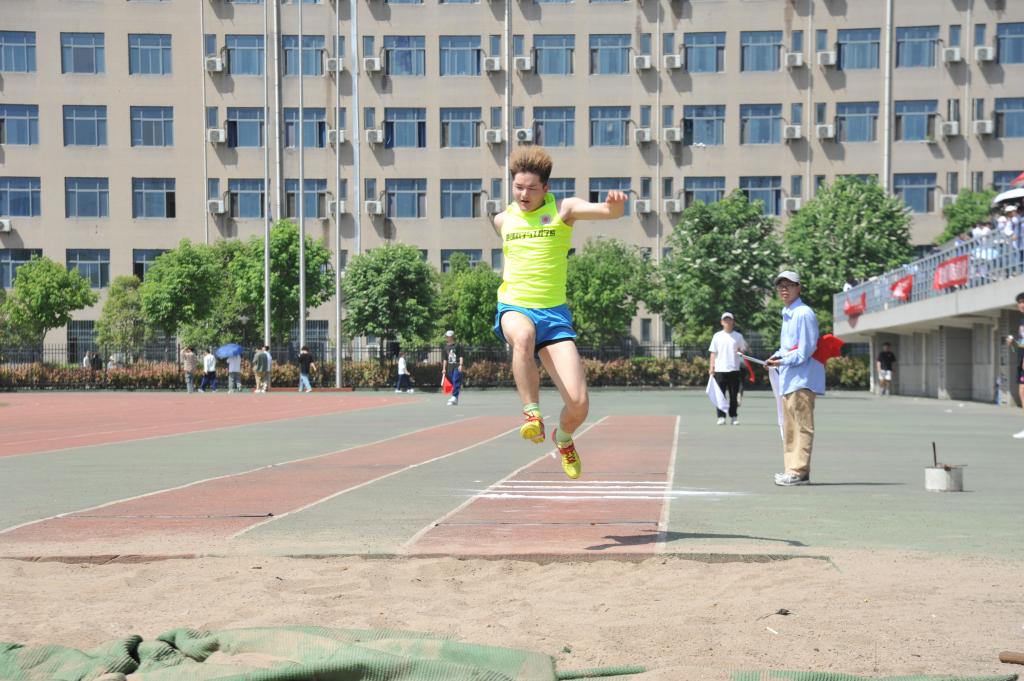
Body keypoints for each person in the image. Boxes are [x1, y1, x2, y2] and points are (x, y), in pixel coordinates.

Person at [491, 146, 627, 480]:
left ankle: (563, 438)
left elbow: (607, 213)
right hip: (515, 306)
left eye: (531, 188)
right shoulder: (502, 220)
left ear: (546, 188)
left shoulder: (563, 209)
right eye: (518, 187)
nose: (524, 195)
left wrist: (614, 206)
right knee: (522, 337)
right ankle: (531, 413)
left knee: (579, 403)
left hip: (553, 316)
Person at [765, 271, 825, 486]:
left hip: (802, 379)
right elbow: (787, 348)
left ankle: (799, 471)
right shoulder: (788, 313)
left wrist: (780, 361)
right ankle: (792, 470)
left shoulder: (803, 313)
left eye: (789, 285)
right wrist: (775, 358)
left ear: (799, 288)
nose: (784, 289)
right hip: (789, 379)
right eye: (780, 285)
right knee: (790, 428)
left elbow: (806, 350)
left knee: (802, 427)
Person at [708, 312, 748, 425]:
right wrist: (711, 367)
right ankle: (721, 417)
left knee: (733, 395)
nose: (727, 322)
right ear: (722, 322)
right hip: (720, 370)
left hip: (734, 369)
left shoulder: (738, 336)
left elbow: (743, 351)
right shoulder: (717, 336)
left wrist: (739, 351)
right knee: (720, 395)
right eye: (725, 320)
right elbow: (713, 353)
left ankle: (733, 416)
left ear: (733, 322)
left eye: (729, 320)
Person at [1007, 292, 1024, 439]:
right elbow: (1022, 345)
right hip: (1021, 361)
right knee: (1022, 393)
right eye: (1019, 302)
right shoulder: (1022, 321)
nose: (1022, 304)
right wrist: (1013, 343)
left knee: (1023, 392)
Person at [441, 330, 463, 406]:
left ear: (452, 337)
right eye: (446, 336)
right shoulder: (445, 347)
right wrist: (444, 369)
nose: (447, 338)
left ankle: (454, 396)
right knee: (453, 382)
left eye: (448, 336)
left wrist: (461, 365)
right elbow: (445, 359)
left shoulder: (457, 346)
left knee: (456, 380)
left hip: (456, 366)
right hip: (449, 368)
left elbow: (461, 356)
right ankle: (455, 398)